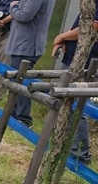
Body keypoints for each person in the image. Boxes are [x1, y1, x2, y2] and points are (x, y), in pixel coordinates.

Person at [51, 4, 98, 166]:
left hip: (85, 61)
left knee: (78, 106)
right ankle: (65, 146)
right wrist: (66, 39)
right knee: (68, 104)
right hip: (74, 57)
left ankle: (80, 155)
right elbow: (82, 24)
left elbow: (94, 26)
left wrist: (62, 36)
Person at [4, 0, 56, 127]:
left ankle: (22, 117)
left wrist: (13, 7)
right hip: (24, 44)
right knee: (18, 80)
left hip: (26, 45)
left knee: (22, 81)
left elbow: (25, 15)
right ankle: (15, 114)